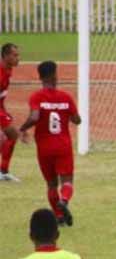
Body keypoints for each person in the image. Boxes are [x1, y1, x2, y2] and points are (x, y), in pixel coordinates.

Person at [19, 61, 82, 226]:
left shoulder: (36, 97)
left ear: (40, 77)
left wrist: (22, 128)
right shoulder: (66, 97)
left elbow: (34, 117)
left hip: (44, 147)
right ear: (55, 75)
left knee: (51, 184)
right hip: (63, 145)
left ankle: (58, 216)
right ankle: (65, 200)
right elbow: (77, 120)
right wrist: (65, 112)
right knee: (67, 181)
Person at [0, 43, 21, 181]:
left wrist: (5, 112)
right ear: (6, 56)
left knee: (11, 135)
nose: (18, 58)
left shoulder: (8, 70)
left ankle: (3, 171)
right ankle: (3, 171)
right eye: (15, 55)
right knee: (11, 134)